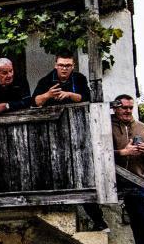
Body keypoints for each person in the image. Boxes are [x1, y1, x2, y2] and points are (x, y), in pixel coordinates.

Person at [33, 54, 107, 229]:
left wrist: (69, 94)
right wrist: (49, 95)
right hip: (53, 135)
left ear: (73, 66)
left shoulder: (79, 79)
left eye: (68, 65)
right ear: (55, 65)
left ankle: (98, 220)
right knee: (53, 172)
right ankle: (55, 210)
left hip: (78, 135)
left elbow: (87, 98)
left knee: (83, 176)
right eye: (61, 65)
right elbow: (35, 101)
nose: (64, 68)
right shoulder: (46, 81)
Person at [111, 95, 144, 244]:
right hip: (112, 180)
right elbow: (99, 150)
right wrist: (123, 152)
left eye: (130, 108)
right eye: (124, 107)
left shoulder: (142, 128)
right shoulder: (106, 126)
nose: (128, 111)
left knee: (143, 223)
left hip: (136, 180)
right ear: (116, 108)